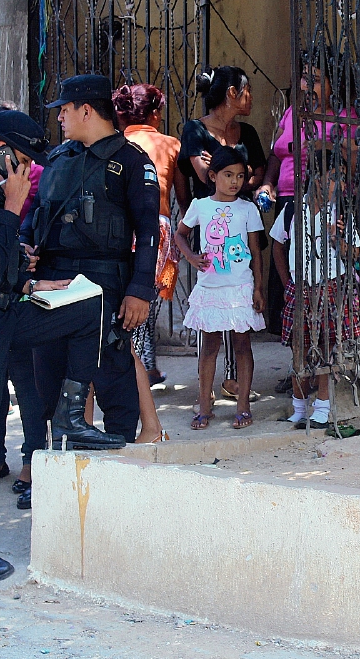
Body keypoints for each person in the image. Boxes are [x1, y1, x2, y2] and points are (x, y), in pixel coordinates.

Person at [0, 108, 124, 583]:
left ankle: (71, 416)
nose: (26, 166)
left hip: (3, 312)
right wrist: (14, 209)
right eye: (21, 156)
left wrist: (29, 273)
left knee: (87, 307)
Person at [28, 75, 161, 444]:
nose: (59, 118)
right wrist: (25, 247)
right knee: (52, 379)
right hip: (54, 281)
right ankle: (62, 463)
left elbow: (148, 232)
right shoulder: (57, 158)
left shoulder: (133, 161)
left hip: (106, 281)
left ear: (86, 110)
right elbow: (36, 215)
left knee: (113, 378)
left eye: (64, 110)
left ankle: (119, 457)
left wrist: (139, 290)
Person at [0, 104, 48, 509]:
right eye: (19, 157)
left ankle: (32, 458)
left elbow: (16, 235)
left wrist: (22, 254)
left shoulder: (21, 187)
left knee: (26, 382)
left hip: (16, 296)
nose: (23, 166)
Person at [178, 66, 267, 404]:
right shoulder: (195, 130)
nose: (251, 99)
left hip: (245, 225)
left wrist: (241, 178)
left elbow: (257, 172)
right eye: (247, 91)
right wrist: (240, 178)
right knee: (213, 324)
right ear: (232, 93)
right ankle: (207, 398)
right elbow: (201, 178)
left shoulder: (248, 132)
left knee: (241, 320)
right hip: (212, 231)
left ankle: (235, 384)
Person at [258, 58, 360, 335]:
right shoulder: (293, 113)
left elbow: (359, 166)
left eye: (315, 79)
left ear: (333, 84)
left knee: (320, 279)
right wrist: (267, 184)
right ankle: (295, 363)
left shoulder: (344, 118)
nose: (307, 85)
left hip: (326, 203)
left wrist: (325, 145)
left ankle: (322, 360)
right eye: (304, 78)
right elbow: (276, 153)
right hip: (289, 203)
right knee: (288, 272)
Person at [173, 146, 265, 429]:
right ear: (212, 176)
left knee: (241, 344)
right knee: (210, 346)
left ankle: (244, 406)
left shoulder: (248, 209)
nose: (235, 181)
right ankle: (204, 405)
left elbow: (255, 251)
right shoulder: (200, 206)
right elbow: (180, 234)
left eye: (240, 176)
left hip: (240, 287)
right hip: (210, 288)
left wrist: (258, 288)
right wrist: (190, 256)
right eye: (228, 175)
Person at [269, 150, 360, 428]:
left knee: (328, 346)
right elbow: (277, 245)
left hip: (333, 286)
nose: (340, 185)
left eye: (342, 179)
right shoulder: (293, 210)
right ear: (316, 179)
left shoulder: (342, 215)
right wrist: (288, 282)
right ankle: (298, 407)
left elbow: (354, 254)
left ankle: (322, 406)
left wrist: (338, 238)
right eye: (334, 178)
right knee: (301, 347)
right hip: (302, 288)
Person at [113, 82, 184, 442]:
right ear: (155, 112)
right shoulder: (170, 144)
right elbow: (180, 192)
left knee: (124, 306)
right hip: (159, 231)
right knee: (149, 305)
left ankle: (142, 367)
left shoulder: (114, 143)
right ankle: (142, 369)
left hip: (121, 231)